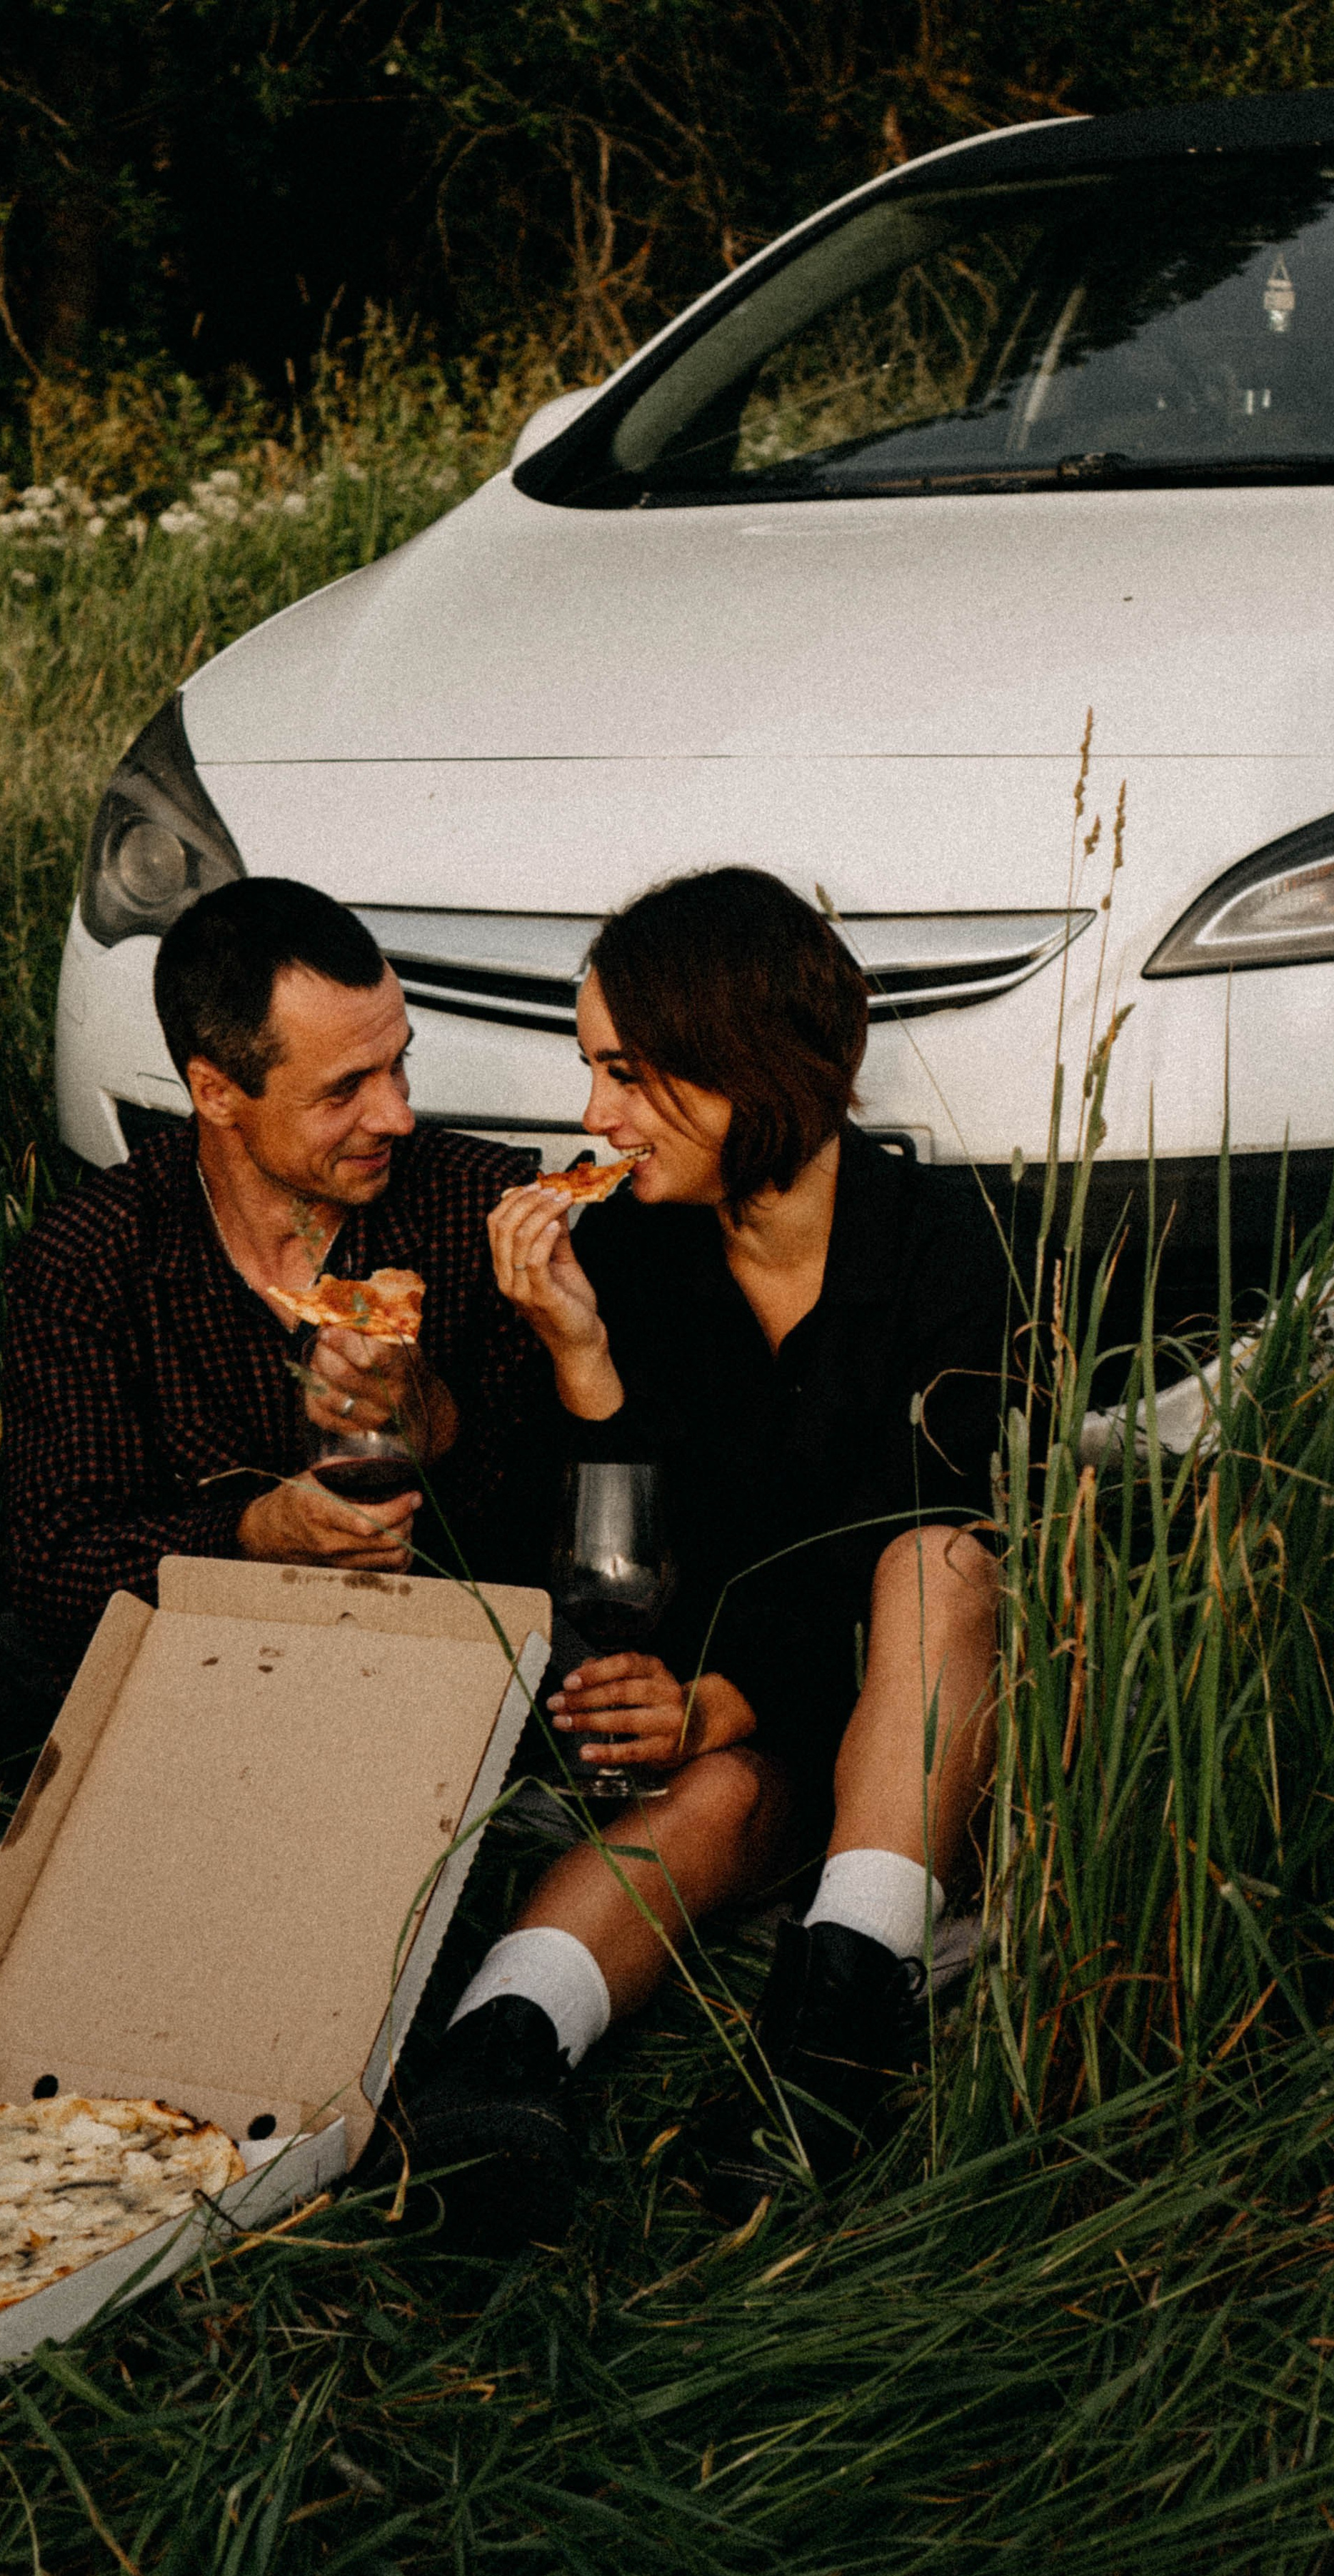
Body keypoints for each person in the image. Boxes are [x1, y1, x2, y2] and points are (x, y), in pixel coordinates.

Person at [0, 875, 548, 2090]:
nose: (397, 1114)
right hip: (148, 1656)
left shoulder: (472, 1207)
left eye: (399, 1063)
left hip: (407, 1684)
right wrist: (252, 1534)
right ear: (216, 1091)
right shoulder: (99, 1252)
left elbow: (550, 1541)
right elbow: (56, 1565)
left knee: (249, 1810)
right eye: (345, 1089)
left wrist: (436, 1421)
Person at [401, 868, 1012, 2250]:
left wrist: (730, 1692)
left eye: (626, 1072)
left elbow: (915, 1519)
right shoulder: (633, 1255)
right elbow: (613, 1579)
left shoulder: (950, 1246)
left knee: (936, 1566)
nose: (593, 1116)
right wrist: (582, 1357)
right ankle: (491, 2065)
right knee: (717, 1797)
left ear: (748, 1065)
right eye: (593, 1070)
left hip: (924, 1707)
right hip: (746, 1733)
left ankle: (829, 2054)